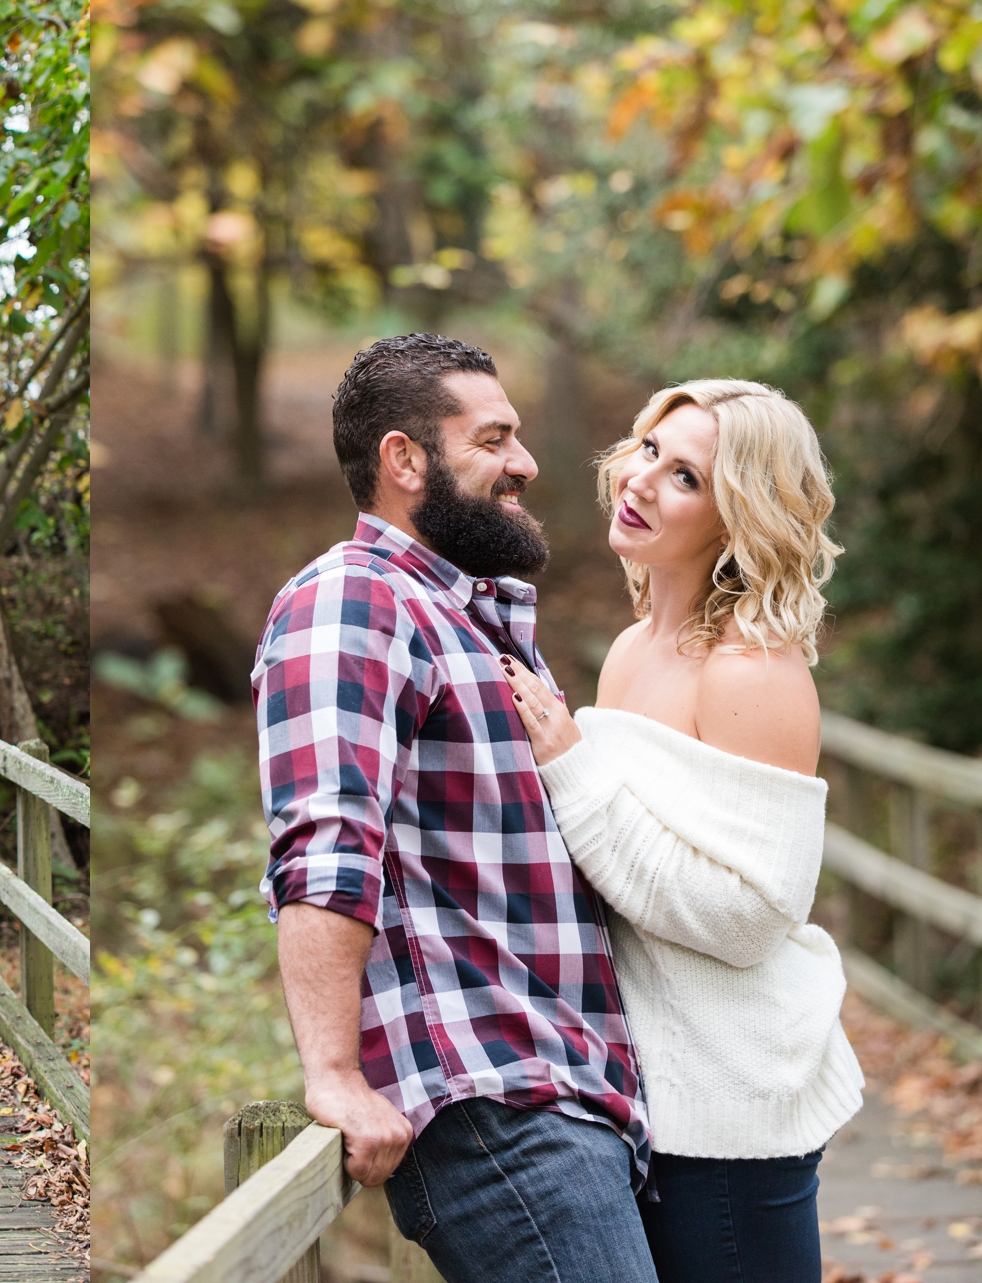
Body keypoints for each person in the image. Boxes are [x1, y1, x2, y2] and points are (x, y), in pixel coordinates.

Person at [254, 334, 655, 1283]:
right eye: (493, 439)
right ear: (405, 460)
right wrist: (336, 1075)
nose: (525, 463)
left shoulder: (464, 614)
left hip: (563, 1092)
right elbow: (325, 843)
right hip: (489, 1105)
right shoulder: (352, 600)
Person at [503, 379, 862, 1283]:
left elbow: (751, 917)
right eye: (649, 449)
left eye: (688, 476)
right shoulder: (630, 651)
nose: (644, 478)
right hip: (640, 1094)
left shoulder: (751, 670)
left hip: (728, 1113)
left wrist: (569, 763)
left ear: (739, 514)